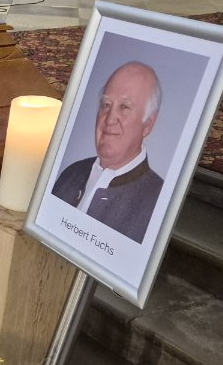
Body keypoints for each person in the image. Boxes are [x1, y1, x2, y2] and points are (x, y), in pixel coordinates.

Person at [51, 61, 165, 244]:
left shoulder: (158, 202)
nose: (110, 118)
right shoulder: (71, 173)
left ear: (148, 124)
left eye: (124, 107)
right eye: (106, 104)